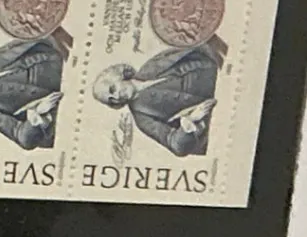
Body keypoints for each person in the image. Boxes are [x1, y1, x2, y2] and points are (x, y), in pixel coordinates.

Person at [91, 41, 221, 156]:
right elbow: (175, 145)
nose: (117, 97)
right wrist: (190, 121)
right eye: (111, 100)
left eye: (113, 89)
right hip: (217, 105)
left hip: (218, 68)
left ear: (118, 75)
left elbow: (190, 49)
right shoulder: (142, 118)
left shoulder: (149, 67)